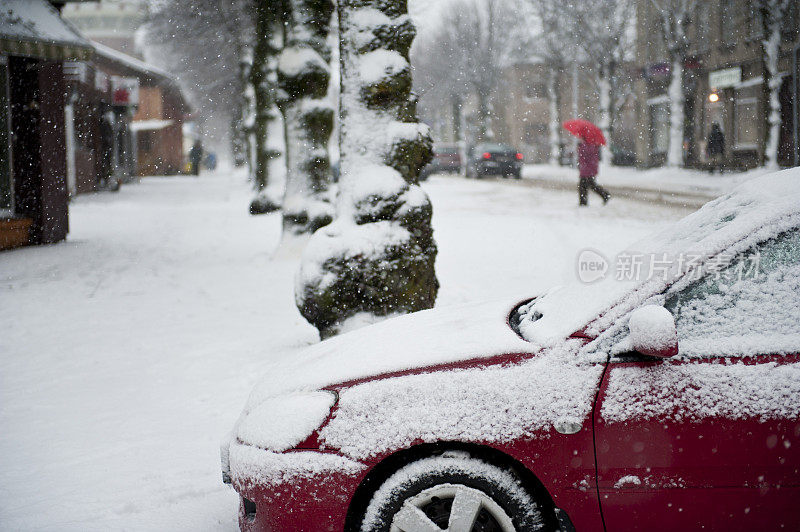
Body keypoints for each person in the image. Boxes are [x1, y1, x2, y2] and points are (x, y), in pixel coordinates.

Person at [577, 138, 610, 206]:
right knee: (590, 185)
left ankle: (584, 202)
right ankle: (604, 195)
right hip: (589, 169)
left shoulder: (588, 145)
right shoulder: (592, 145)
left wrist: (580, 147)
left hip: (587, 169)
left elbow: (584, 156)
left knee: (584, 185)